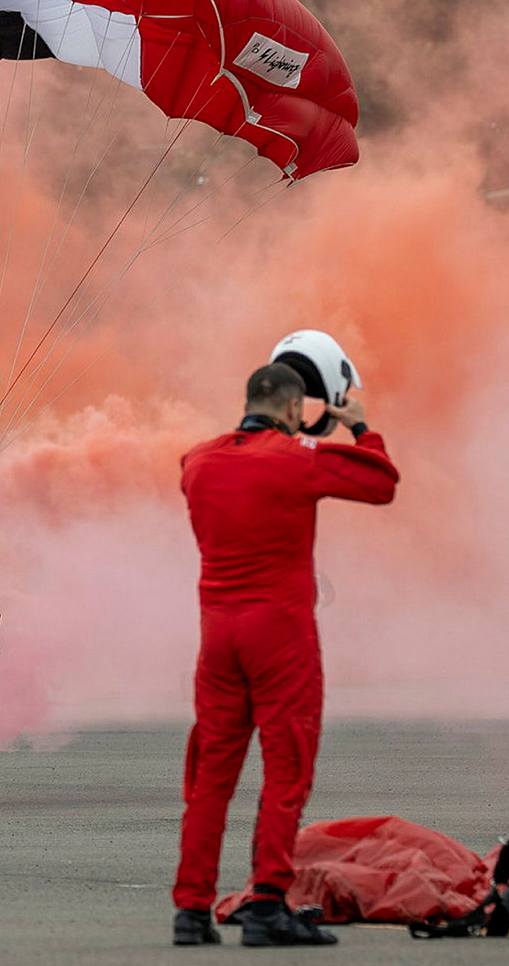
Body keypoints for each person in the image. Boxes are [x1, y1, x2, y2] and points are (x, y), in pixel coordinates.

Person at [171, 363, 398, 947]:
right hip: (280, 634)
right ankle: (268, 902)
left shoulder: (196, 461)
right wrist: (359, 428)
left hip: (217, 637)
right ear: (297, 408)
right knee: (285, 766)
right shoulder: (297, 456)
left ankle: (191, 911)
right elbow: (381, 483)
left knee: (211, 777)